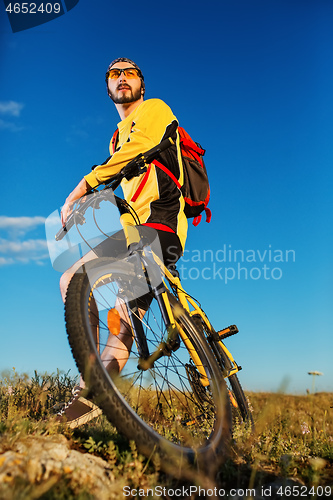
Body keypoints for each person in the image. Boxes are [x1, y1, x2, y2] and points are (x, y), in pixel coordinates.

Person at [57, 57, 188, 427]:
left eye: (130, 72)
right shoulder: (117, 138)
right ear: (108, 87)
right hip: (132, 230)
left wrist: (84, 185)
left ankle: (92, 392)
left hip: (162, 225)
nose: (122, 77)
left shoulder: (154, 110)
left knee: (123, 310)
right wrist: (88, 204)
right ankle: (94, 380)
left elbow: (141, 148)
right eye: (114, 74)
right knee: (71, 280)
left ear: (141, 84)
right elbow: (121, 172)